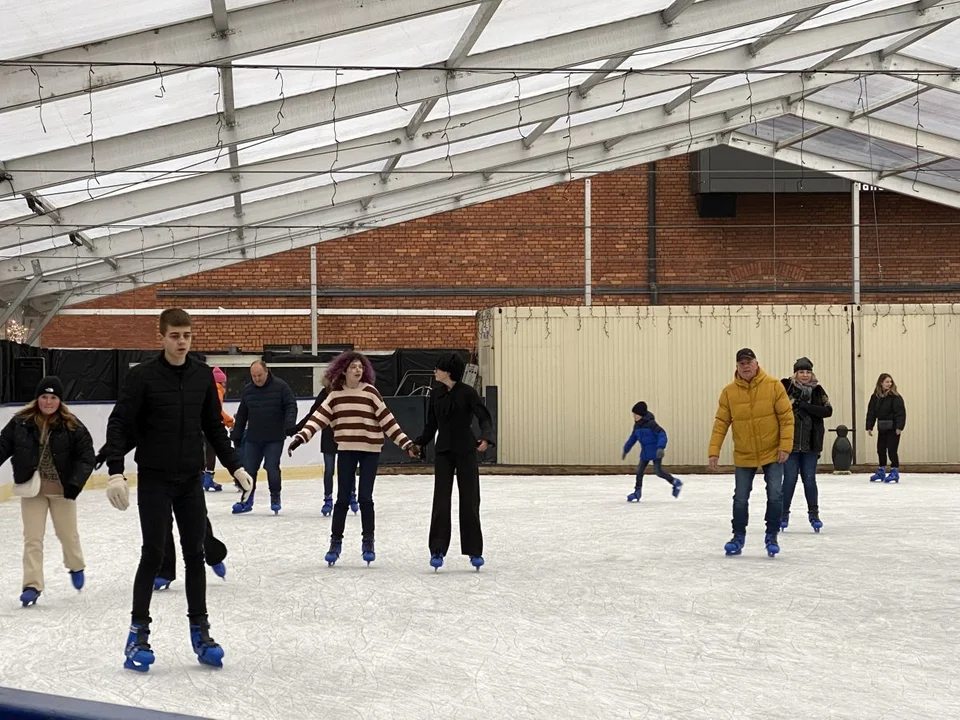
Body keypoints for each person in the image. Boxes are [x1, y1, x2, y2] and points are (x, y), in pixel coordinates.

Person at [101, 308, 252, 672]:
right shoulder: (144, 378)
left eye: (186, 336)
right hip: (153, 477)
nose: (181, 342)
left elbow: (214, 427)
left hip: (188, 481)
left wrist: (236, 465)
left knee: (195, 553)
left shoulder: (202, 376)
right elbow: (120, 423)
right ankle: (138, 633)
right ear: (162, 336)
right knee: (153, 553)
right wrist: (116, 471)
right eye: (174, 336)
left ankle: (201, 631)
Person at [288, 351, 419, 566]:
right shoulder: (335, 395)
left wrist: (407, 444)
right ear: (343, 371)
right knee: (341, 500)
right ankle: (335, 542)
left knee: (365, 498)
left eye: (360, 367)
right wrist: (301, 437)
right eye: (353, 367)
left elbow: (388, 421)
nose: (358, 370)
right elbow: (318, 419)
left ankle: (368, 541)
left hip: (370, 451)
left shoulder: (370, 392)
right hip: (347, 450)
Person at [0, 377, 94, 607]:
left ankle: (75, 564)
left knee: (67, 536)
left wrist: (75, 483)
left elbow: (86, 456)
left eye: (53, 397)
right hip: (33, 490)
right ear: (37, 398)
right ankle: (32, 585)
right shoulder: (21, 422)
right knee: (32, 538)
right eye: (44, 396)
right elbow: (2, 445)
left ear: (59, 401)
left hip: (63, 490)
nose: (48, 402)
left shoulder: (72, 425)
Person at [708, 348, 794, 558]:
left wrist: (785, 446)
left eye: (749, 362)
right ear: (736, 367)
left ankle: (771, 535)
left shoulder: (774, 386)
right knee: (740, 497)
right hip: (744, 452)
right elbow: (721, 423)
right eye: (741, 363)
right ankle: (738, 537)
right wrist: (714, 450)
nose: (746, 366)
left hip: (772, 451)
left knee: (775, 494)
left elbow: (786, 418)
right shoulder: (729, 392)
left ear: (757, 364)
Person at [414, 353, 495, 572]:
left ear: (448, 372)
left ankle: (474, 550)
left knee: (469, 500)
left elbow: (484, 417)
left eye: (438, 369)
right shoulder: (436, 394)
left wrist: (486, 438)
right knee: (441, 500)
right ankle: (437, 550)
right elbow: (431, 424)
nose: (435, 372)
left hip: (466, 451)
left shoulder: (468, 393)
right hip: (443, 452)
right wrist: (420, 443)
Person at [231, 360, 297, 515]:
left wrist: (289, 424)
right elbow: (242, 414)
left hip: (275, 437)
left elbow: (291, 405)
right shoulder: (248, 390)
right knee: (249, 470)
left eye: (259, 375)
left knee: (271, 467)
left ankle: (275, 497)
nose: (257, 379)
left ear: (267, 372)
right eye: (253, 376)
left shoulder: (281, 387)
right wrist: (237, 434)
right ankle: (246, 500)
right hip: (254, 437)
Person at [780, 357, 833, 532]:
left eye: (808, 372)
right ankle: (783, 514)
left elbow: (827, 410)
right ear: (796, 373)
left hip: (811, 444)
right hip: (790, 444)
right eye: (801, 372)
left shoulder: (817, 391)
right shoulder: (786, 387)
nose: (805, 375)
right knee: (789, 480)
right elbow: (777, 407)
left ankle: (814, 514)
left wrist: (806, 407)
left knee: (809, 480)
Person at [293, 375, 340, 517]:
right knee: (329, 470)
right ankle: (328, 499)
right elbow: (313, 414)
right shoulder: (324, 393)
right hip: (328, 436)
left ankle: (351, 494)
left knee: (346, 469)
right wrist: (298, 429)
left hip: (345, 435)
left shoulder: (346, 392)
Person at [622, 401, 682, 503]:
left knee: (658, 472)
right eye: (633, 414)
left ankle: (676, 482)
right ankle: (637, 492)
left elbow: (662, 434)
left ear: (641, 414)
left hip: (656, 452)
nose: (634, 416)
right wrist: (626, 449)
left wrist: (660, 448)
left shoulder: (651, 424)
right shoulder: (637, 426)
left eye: (635, 414)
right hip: (645, 453)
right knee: (639, 471)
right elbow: (632, 438)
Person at [866, 373, 906, 483]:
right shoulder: (875, 397)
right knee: (881, 449)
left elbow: (900, 413)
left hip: (893, 428)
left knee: (892, 450)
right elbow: (871, 412)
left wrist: (899, 427)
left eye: (890, 382)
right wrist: (869, 426)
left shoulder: (895, 397)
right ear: (881, 383)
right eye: (887, 382)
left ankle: (894, 471)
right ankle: (881, 470)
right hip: (882, 426)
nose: (889, 384)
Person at [202, 366, 234, 492]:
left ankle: (202, 477)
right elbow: (217, 411)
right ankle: (208, 478)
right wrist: (229, 422)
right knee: (211, 451)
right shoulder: (218, 390)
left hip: (200, 425)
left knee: (202, 451)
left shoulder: (206, 389)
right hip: (210, 426)